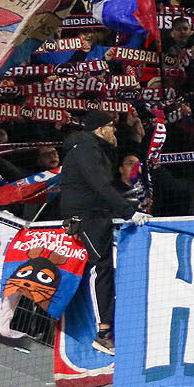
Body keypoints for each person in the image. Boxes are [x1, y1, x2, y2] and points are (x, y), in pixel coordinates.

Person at [61, 111, 141, 354]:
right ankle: (103, 332)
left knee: (105, 266)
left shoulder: (95, 148)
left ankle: (107, 329)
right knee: (101, 267)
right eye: (111, 127)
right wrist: (129, 213)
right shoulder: (87, 150)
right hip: (87, 217)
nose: (113, 131)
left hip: (97, 214)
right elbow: (99, 184)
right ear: (99, 129)